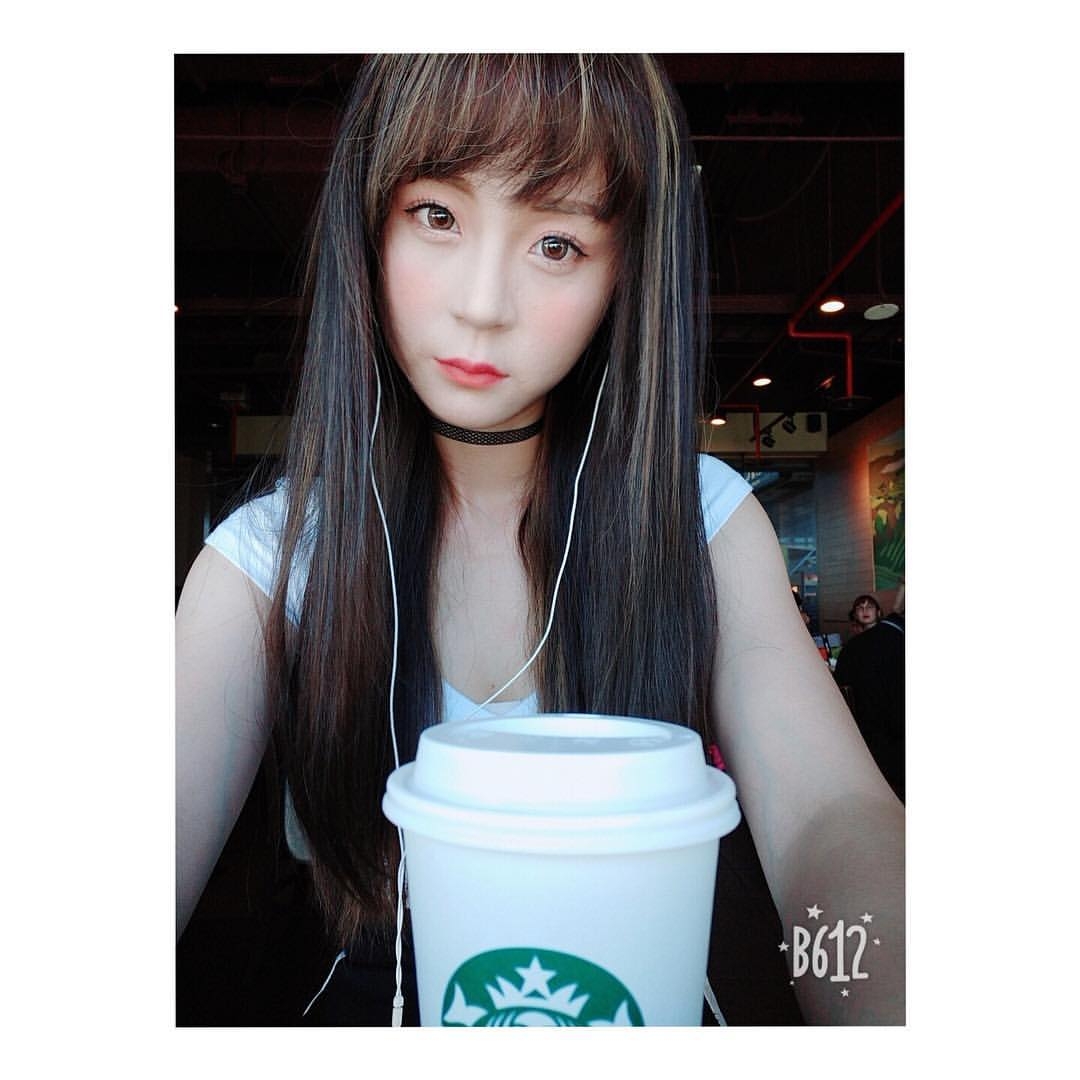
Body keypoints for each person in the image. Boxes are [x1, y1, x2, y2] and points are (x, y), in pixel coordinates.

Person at [176, 54, 904, 1026]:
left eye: (557, 243)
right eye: (436, 214)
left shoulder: (701, 520)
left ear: (622, 272)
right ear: (369, 223)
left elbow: (830, 816)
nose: (483, 303)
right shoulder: (269, 560)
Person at [835, 589, 905, 801]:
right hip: (874, 718)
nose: (865, 610)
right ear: (854, 613)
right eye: (860, 607)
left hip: (890, 715)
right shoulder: (853, 646)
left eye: (870, 606)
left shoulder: (890, 635)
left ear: (879, 612)